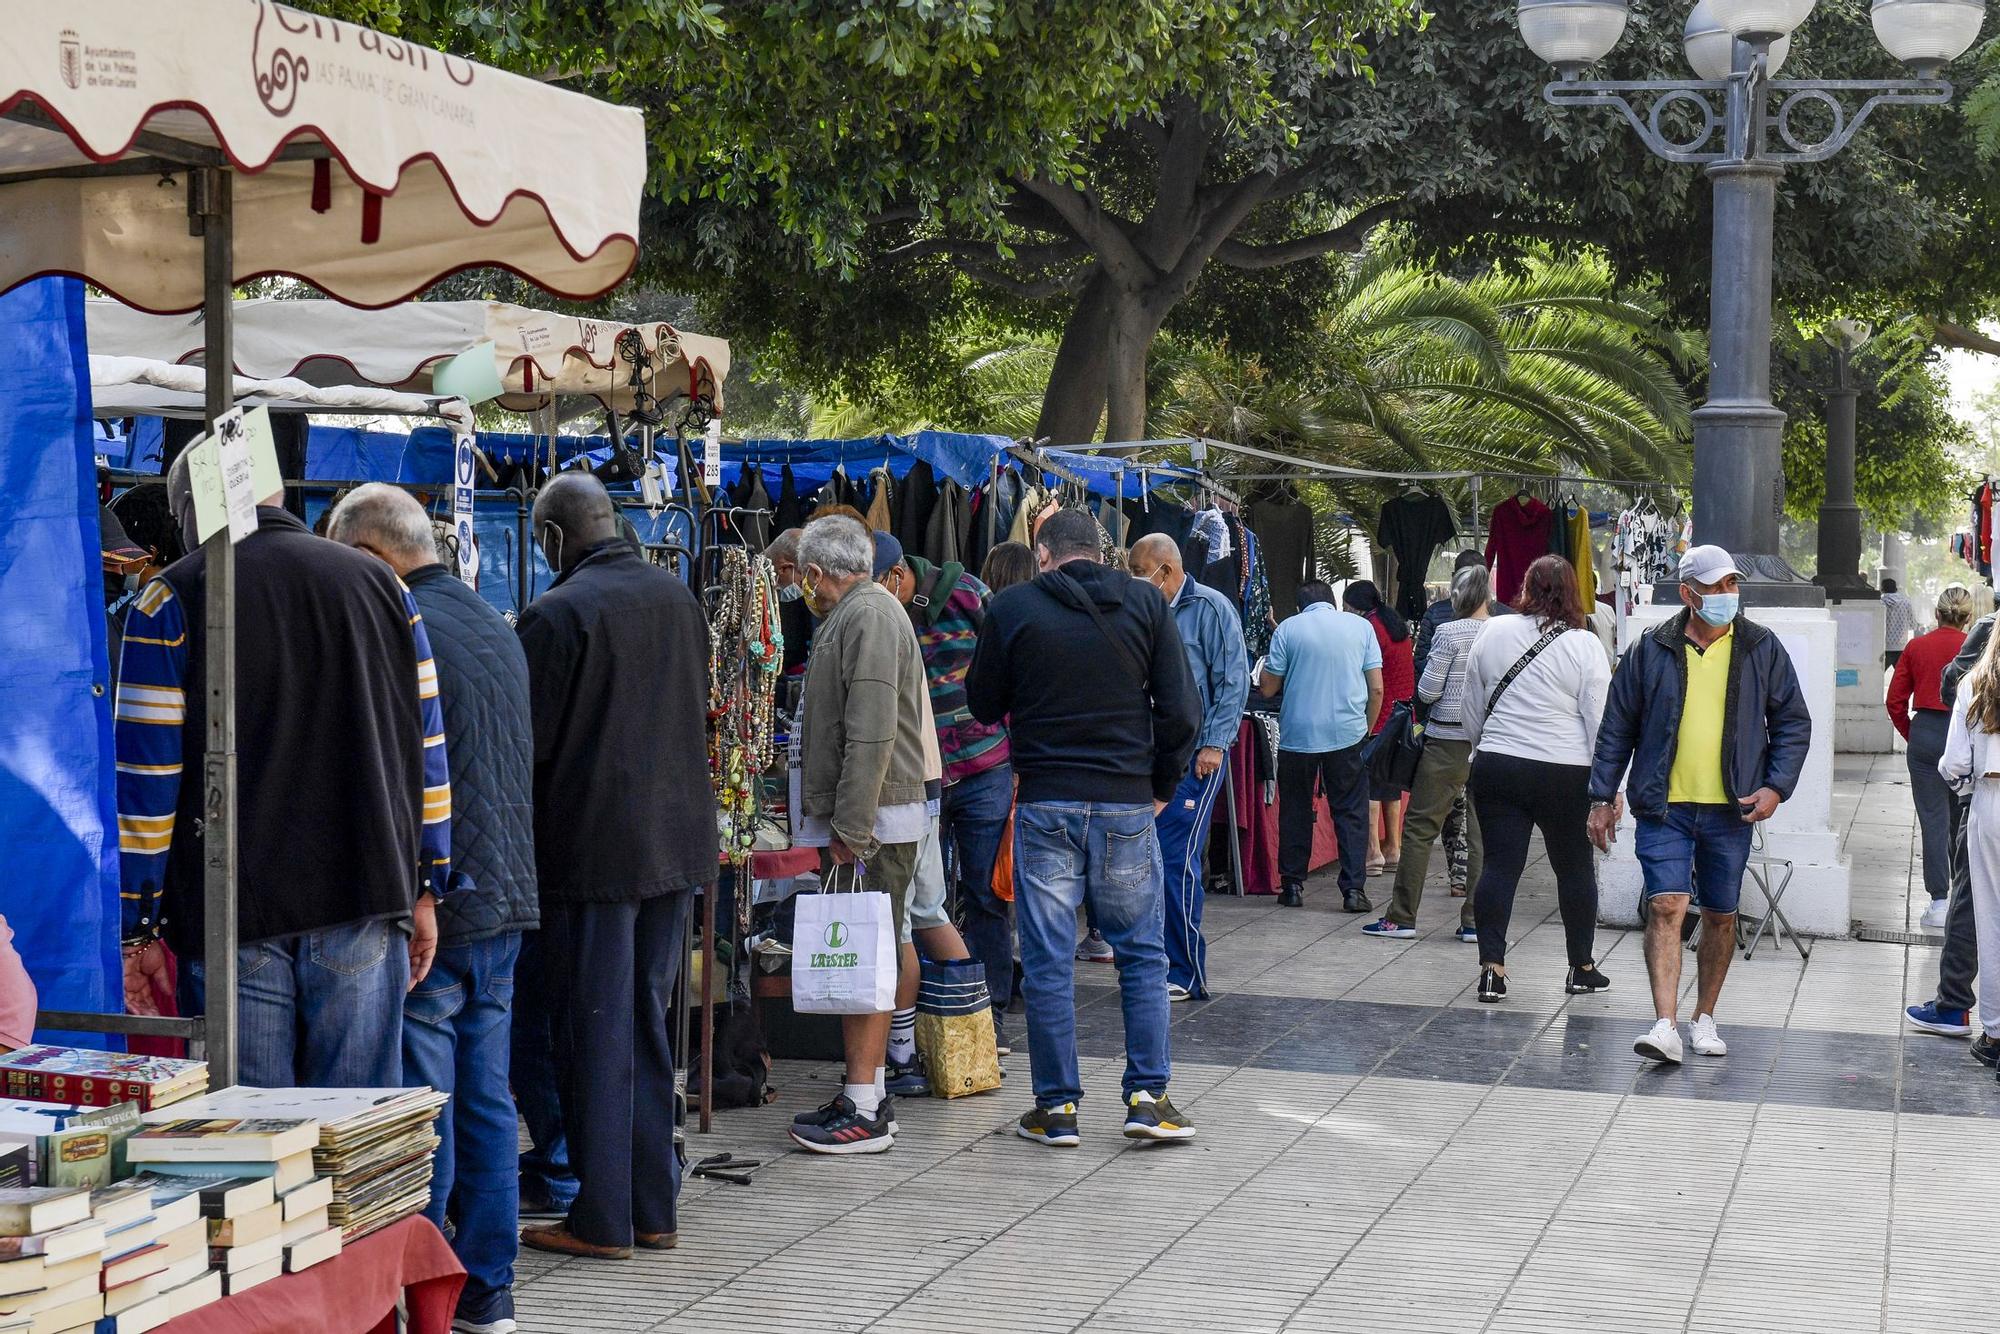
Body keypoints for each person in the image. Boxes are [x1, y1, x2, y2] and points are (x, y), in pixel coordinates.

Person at [116, 451, 449, 1089]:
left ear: (191, 509)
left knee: (255, 1152)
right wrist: (429, 885)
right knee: (354, 1147)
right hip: (367, 893)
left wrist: (139, 925)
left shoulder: (167, 601)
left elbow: (146, 786)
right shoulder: (387, 587)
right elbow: (427, 753)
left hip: (234, 914)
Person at [328, 486, 535, 1332]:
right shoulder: (493, 622)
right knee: (485, 1102)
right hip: (507, 897)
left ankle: (428, 1295)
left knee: (427, 1108)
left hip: (438, 904)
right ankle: (489, 1291)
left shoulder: (398, 628)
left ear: (376, 557)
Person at [516, 472, 715, 1258]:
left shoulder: (555, 615)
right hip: (674, 850)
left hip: (593, 854)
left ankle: (603, 1217)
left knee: (592, 1034)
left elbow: (526, 749)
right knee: (644, 1026)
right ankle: (652, 1207)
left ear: (557, 538)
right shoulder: (677, 598)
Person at [966, 508, 1202, 1148]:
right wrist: (1159, 785)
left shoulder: (1013, 608)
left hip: (1045, 804)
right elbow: (1183, 709)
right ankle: (1148, 1098)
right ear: (1101, 552)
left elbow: (984, 703)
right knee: (1142, 953)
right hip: (1127, 803)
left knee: (1045, 960)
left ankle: (1057, 1109)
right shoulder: (1147, 604)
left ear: (1043, 553)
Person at [1589, 545, 1811, 1063]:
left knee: (1721, 915)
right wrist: (1602, 794)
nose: (1727, 596)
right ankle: (1664, 1023)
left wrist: (1776, 786)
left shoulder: (1760, 646)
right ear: (1688, 594)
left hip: (1731, 809)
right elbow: (1616, 726)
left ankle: (1703, 1017)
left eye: (1733, 585)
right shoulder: (1653, 648)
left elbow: (1793, 722)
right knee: (1667, 905)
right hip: (1664, 806)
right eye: (1715, 587)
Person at [786, 517, 933, 1154]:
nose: (805, 593)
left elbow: (870, 729)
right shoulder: (864, 613)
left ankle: (866, 1104)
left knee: (866, 957)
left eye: (804, 581)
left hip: (872, 825)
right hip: (870, 822)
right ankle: (863, 1093)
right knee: (864, 954)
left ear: (816, 573)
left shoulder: (868, 616)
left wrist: (849, 825)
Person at [880, 537, 1017, 1047]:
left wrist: (1016, 754)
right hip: (920, 778)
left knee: (984, 895)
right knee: (926, 903)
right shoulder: (883, 613)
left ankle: (991, 1014)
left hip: (983, 768)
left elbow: (1012, 667)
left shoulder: (970, 594)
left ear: (897, 573)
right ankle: (923, 1019)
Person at [1462, 555, 1611, 1004]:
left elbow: (1473, 702)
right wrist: (1607, 789)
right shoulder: (1584, 644)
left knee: (1499, 866)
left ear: (1526, 586)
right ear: (1572, 591)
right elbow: (1600, 721)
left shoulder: (1494, 630)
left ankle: (1492, 970)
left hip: (1498, 765)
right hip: (1564, 774)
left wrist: (1480, 748)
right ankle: (1580, 967)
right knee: (1574, 868)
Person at [868, 531, 980, 1089]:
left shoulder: (882, 626)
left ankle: (906, 1053)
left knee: (907, 920)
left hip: (920, 784)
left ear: (892, 576)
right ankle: (971, 1037)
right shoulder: (891, 621)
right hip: (931, 779)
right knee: (929, 910)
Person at [1127, 534, 1251, 1001]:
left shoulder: (1212, 608)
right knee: (1150, 858)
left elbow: (1233, 680)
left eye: (1140, 571)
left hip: (1197, 756)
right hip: (1153, 755)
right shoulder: (1143, 607)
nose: (1136, 580)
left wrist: (1215, 745)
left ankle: (1184, 971)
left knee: (1178, 858)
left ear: (1166, 568)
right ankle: (1157, 961)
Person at [1366, 564, 1489, 944]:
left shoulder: (1450, 633)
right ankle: (1474, 921)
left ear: (1457, 597)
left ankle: (1401, 916)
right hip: (1490, 744)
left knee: (1419, 829)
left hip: (1447, 742)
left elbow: (1430, 689)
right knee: (1481, 835)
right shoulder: (1504, 632)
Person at [1259, 581, 1383, 912]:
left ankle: (1293, 885)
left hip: (1298, 735)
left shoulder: (1288, 628)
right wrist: (1365, 731)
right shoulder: (1361, 628)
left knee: (1296, 808)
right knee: (1351, 811)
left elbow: (1268, 689)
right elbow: (1377, 690)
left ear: (1300, 607)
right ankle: (1354, 890)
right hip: (1347, 733)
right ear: (1333, 602)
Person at [1908, 610, 1993, 1042]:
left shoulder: (1989, 631)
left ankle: (1955, 1004)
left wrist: (1965, 788)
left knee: (1973, 901)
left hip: (1986, 792)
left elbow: (1951, 689)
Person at [1887, 585, 1972, 931]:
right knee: (1963, 819)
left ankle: (1939, 901)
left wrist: (1913, 735)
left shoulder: (1916, 646)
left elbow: (1894, 700)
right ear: (1969, 618)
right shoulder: (1978, 649)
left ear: (1937, 614)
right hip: (1965, 736)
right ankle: (1964, 896)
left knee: (1932, 820)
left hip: (1926, 732)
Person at [1939, 629, 2000, 1087]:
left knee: (1992, 923)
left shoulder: (1976, 683)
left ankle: (1996, 1035)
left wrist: (1969, 789)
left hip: (1992, 800)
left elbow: (1955, 762)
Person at [1344, 581, 1413, 874]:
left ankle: (1372, 851)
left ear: (1356, 606)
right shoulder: (1395, 624)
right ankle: (1393, 848)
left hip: (1380, 713)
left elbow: (1369, 678)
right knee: (1390, 783)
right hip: (1403, 713)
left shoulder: (1369, 628)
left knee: (1370, 783)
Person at [1881, 576, 1917, 670]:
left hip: (1883, 646)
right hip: (1901, 646)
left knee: (1877, 676)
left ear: (1882, 589)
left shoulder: (1879, 604)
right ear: (1896, 589)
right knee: (1903, 677)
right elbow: (1913, 624)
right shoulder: (1906, 603)